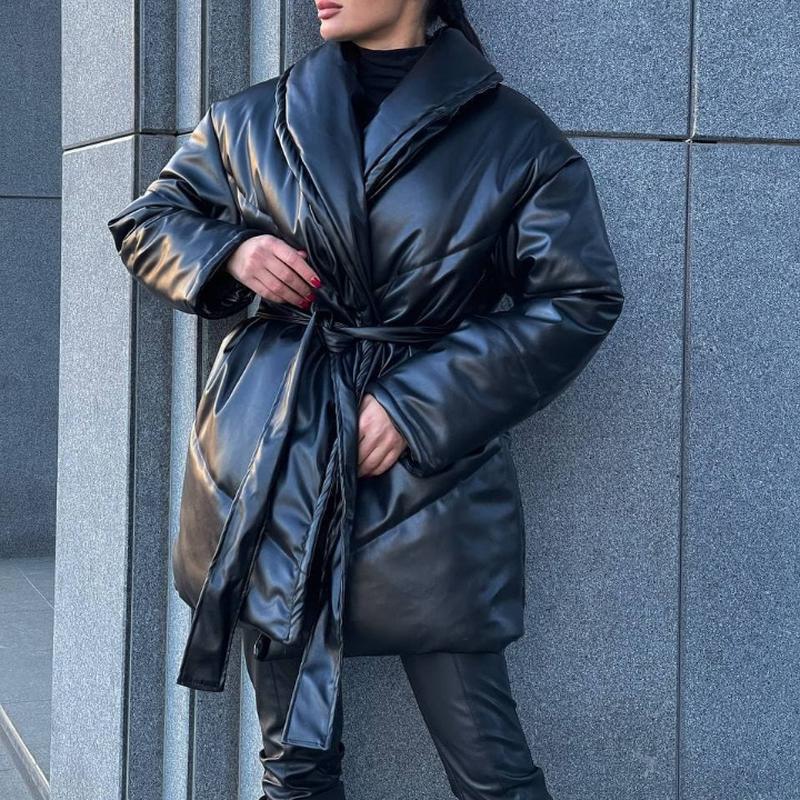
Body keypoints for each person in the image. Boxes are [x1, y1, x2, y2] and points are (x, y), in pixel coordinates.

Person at [106, 1, 625, 798]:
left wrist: (418, 406)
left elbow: (578, 296)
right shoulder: (255, 118)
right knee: (294, 768)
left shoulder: (513, 137)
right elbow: (149, 219)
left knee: (490, 767)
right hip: (276, 455)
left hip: (428, 474)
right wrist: (232, 251)